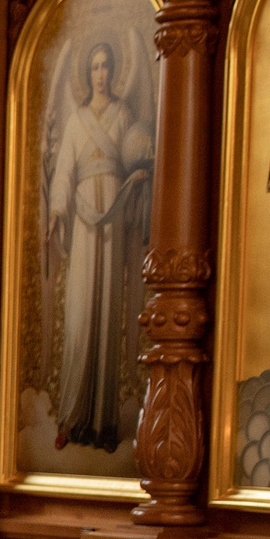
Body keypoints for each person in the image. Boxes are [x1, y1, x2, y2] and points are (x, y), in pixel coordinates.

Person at [47, 39, 152, 452]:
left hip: (113, 217)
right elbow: (64, 174)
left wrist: (140, 177)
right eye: (95, 67)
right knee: (80, 316)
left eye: (107, 66)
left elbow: (132, 159)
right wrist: (56, 210)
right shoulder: (75, 120)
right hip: (85, 222)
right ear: (87, 74)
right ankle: (71, 417)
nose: (102, 74)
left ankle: (104, 423)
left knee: (107, 314)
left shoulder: (124, 115)